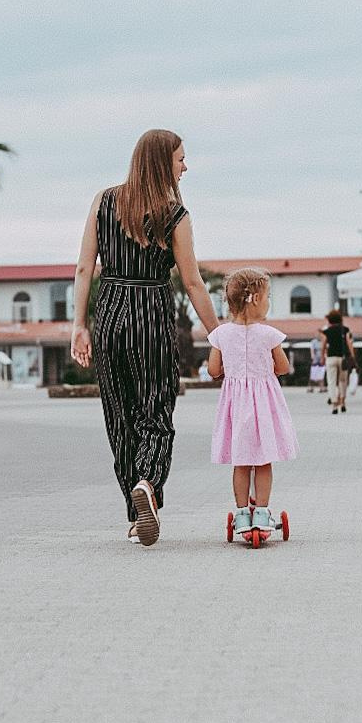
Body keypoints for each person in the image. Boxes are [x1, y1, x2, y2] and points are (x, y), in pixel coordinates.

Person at [71, 130, 219, 545]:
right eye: (180, 160)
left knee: (120, 417)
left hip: (111, 310)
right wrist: (220, 336)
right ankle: (148, 486)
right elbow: (192, 282)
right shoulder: (175, 214)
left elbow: (84, 268)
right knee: (155, 409)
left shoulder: (103, 201)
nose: (185, 167)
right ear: (161, 163)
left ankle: (135, 516)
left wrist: (79, 326)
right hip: (152, 311)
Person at [207, 267, 298, 541]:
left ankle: (241, 514)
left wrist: (232, 369)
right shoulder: (269, 334)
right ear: (255, 298)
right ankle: (262, 511)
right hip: (264, 408)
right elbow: (283, 367)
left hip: (236, 407)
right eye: (268, 296)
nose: (269, 303)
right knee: (263, 461)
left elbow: (213, 370)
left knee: (242, 462)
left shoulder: (221, 335)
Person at [322, 308, 355, 414]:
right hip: (342, 358)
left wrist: (323, 357)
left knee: (331, 382)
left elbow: (323, 345)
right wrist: (352, 356)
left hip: (331, 358)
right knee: (343, 381)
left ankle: (334, 405)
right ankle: (343, 402)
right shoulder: (344, 329)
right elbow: (349, 343)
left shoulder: (326, 331)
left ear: (330, 320)